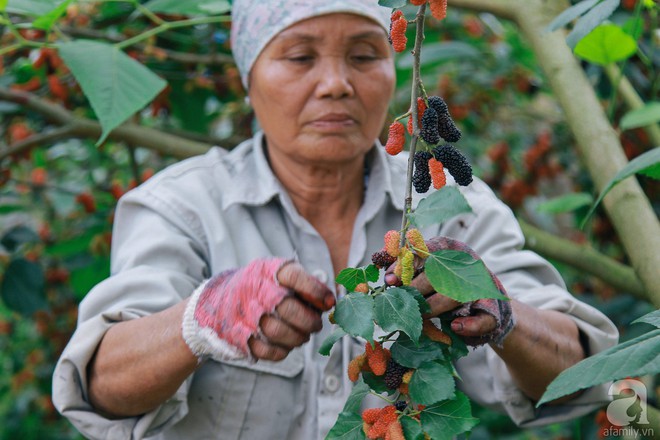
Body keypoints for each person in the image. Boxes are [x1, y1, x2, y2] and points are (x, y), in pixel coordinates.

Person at [52, 1, 619, 439]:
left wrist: (502, 314)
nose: (336, 84)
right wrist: (200, 319)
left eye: (366, 55)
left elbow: (586, 376)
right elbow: (100, 385)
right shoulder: (184, 207)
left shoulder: (449, 202)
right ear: (249, 80)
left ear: (396, 71)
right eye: (299, 57)